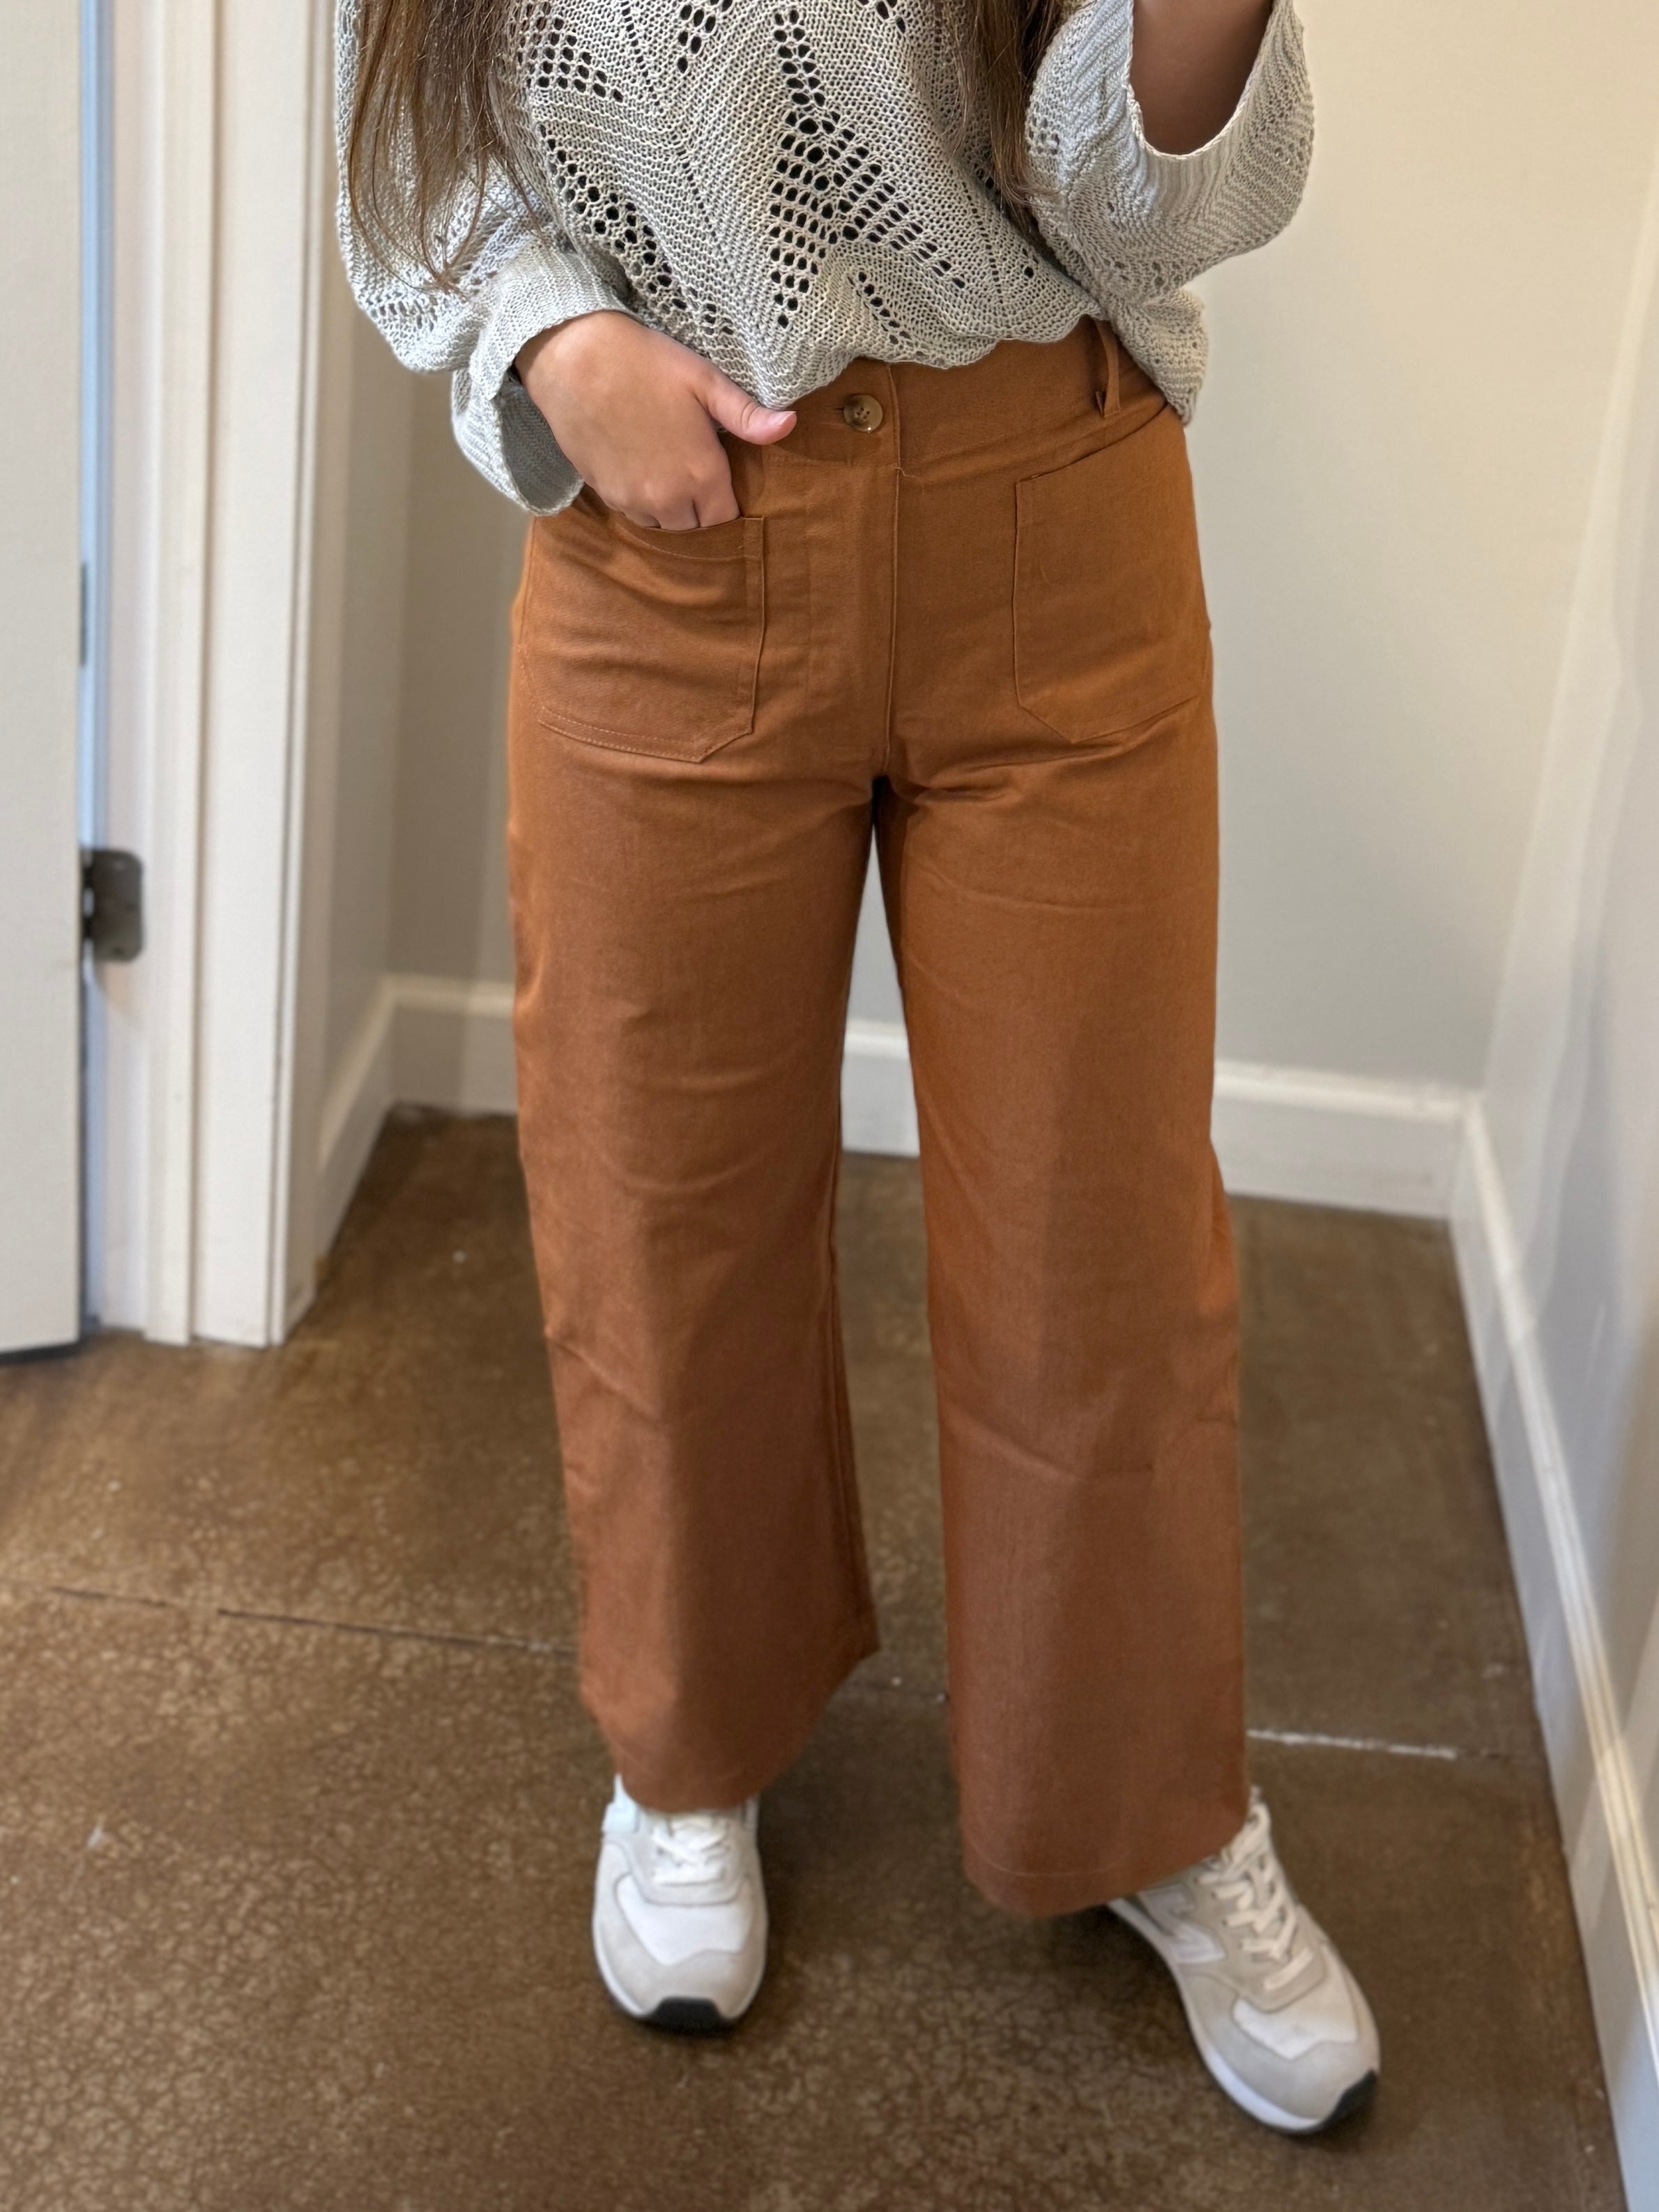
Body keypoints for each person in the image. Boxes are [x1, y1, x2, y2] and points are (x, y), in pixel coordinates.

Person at [337, 0, 1379, 2133]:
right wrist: (549, 340)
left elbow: (1132, 187)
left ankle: (1151, 1805)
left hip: (1052, 506)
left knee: (1096, 1245)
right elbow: (403, 116)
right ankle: (686, 1757)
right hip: (667, 537)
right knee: (657, 1209)